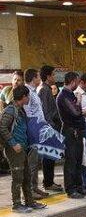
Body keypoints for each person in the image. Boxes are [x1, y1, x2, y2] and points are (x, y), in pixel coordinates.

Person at [0, 86, 47, 213]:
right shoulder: (11, 110)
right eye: (28, 96)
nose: (29, 98)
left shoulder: (20, 110)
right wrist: (13, 143)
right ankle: (16, 204)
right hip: (14, 150)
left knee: (26, 176)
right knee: (17, 177)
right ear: (24, 97)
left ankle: (30, 202)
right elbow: (2, 127)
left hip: (22, 149)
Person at [57, 72, 86, 199]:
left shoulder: (71, 94)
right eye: (77, 81)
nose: (78, 84)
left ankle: (79, 187)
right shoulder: (63, 96)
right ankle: (70, 189)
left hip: (77, 131)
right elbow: (76, 112)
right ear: (72, 81)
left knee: (78, 160)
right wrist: (79, 101)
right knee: (71, 161)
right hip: (70, 132)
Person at [23, 68, 49, 200]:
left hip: (38, 130)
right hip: (33, 131)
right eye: (38, 76)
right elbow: (28, 113)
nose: (40, 78)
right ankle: (30, 191)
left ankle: (35, 187)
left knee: (36, 162)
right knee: (31, 163)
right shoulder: (27, 92)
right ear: (34, 78)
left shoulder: (33, 92)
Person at [38, 65, 63, 192]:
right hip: (48, 128)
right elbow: (45, 111)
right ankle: (48, 183)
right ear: (48, 76)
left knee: (51, 155)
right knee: (48, 156)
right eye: (53, 74)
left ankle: (49, 181)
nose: (55, 77)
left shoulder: (47, 89)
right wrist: (51, 127)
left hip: (51, 126)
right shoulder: (44, 90)